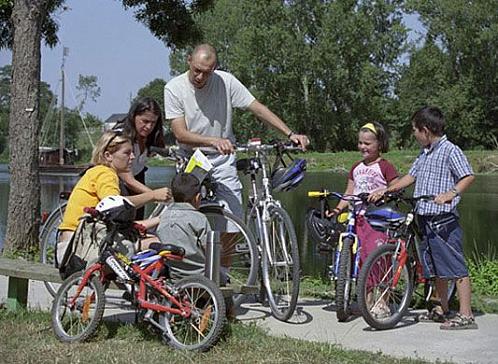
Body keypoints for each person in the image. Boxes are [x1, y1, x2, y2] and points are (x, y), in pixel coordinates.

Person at [164, 43, 310, 274]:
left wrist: (290, 133)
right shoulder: (174, 88)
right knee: (184, 215)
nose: (201, 76)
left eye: (207, 72)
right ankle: (185, 272)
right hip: (192, 157)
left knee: (233, 220)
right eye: (197, 70)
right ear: (189, 60)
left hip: (222, 158)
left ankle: (222, 276)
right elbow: (180, 133)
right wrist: (212, 140)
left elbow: (258, 108)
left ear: (215, 68)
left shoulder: (225, 81)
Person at [372, 106, 477, 330]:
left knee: (455, 265)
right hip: (425, 217)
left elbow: (468, 176)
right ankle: (442, 308)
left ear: (426, 130)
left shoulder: (450, 150)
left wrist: (451, 194)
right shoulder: (425, 152)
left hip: (443, 219)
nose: (414, 134)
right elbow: (411, 176)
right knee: (435, 266)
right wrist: (387, 191)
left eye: (415, 130)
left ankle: (466, 315)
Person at [57, 131, 171, 264]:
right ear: (108, 155)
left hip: (77, 242)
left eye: (132, 152)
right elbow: (115, 206)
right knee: (156, 243)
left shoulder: (99, 171)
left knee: (146, 238)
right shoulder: (105, 174)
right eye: (127, 153)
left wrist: (159, 219)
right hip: (79, 247)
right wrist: (152, 195)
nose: (133, 157)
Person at [327, 121, 399, 262]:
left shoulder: (385, 166)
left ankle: (376, 283)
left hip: (377, 219)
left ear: (379, 144)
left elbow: (396, 186)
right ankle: (357, 282)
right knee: (357, 253)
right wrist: (337, 209)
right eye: (360, 143)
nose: (363, 147)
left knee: (374, 253)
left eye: (367, 144)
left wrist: (383, 192)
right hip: (356, 217)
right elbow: (349, 192)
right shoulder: (356, 167)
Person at [114, 96, 166, 219]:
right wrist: (153, 194)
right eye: (145, 121)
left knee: (139, 220)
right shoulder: (122, 136)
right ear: (134, 117)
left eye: (153, 123)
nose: (148, 127)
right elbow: (127, 179)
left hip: (137, 177)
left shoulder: (149, 138)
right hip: (118, 181)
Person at [152, 172, 211, 281]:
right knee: (222, 276)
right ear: (197, 197)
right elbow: (209, 248)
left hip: (174, 274)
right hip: (201, 274)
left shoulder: (164, 217)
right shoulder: (199, 218)